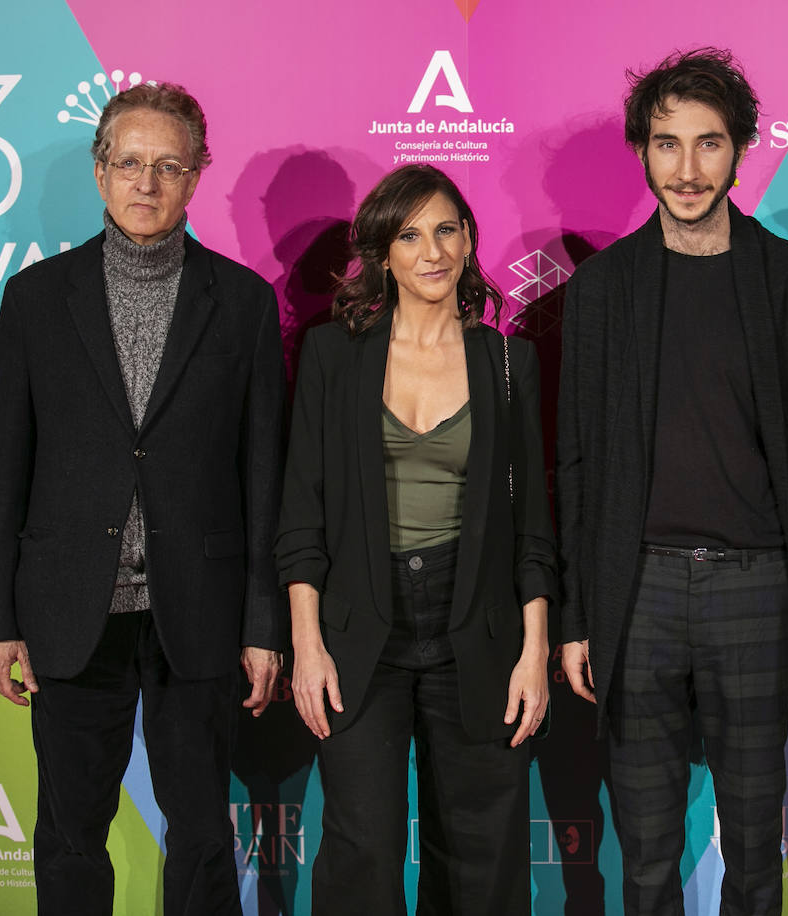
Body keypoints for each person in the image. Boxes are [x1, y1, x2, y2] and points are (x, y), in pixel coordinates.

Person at [0, 82, 285, 915]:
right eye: (129, 163)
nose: (147, 183)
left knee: (201, 835)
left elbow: (264, 478)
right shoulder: (36, 300)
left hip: (200, 612)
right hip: (73, 609)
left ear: (196, 176)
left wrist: (263, 625)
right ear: (101, 171)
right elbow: (6, 467)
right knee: (71, 832)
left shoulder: (246, 304)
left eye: (168, 166)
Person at [555, 48, 788, 915]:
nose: (687, 169)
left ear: (741, 149)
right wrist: (579, 615)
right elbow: (573, 462)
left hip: (758, 590)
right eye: (666, 144)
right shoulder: (604, 288)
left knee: (756, 845)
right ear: (642, 151)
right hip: (636, 590)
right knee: (644, 852)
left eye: (709, 144)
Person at [277, 164, 556, 914]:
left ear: (467, 239)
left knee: (481, 855)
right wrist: (307, 644)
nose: (431, 250)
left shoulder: (507, 362)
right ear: (383, 252)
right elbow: (301, 512)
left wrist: (534, 656)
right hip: (359, 629)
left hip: (479, 630)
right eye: (410, 234)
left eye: (446, 229)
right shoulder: (334, 354)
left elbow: (533, 526)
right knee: (362, 850)